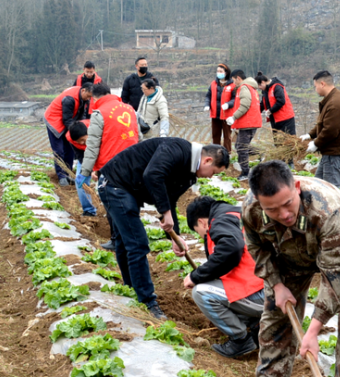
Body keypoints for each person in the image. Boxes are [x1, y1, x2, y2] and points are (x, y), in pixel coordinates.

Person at [242, 160, 340, 377]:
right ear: (259, 202)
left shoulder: (328, 210)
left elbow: (337, 278)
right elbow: (258, 249)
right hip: (288, 250)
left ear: (297, 187)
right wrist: (278, 286)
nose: (284, 214)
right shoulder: (251, 211)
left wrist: (313, 331)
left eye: (288, 203)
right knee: (275, 311)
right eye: (273, 210)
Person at [97, 139, 230, 320]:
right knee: (137, 244)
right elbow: (152, 174)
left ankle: (130, 288)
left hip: (129, 189)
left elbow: (169, 199)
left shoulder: (190, 174)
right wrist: (165, 212)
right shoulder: (177, 149)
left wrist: (176, 239)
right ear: (207, 161)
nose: (210, 177)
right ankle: (147, 302)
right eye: (214, 172)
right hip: (115, 184)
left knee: (124, 240)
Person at [183, 195, 265, 358]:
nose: (203, 236)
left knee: (202, 293)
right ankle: (257, 327)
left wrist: (195, 276)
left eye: (199, 233)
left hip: (261, 292)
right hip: (275, 286)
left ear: (201, 222)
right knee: (220, 287)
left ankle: (240, 340)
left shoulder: (219, 222)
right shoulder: (235, 214)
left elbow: (232, 249)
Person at [69, 83, 140, 217]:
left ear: (95, 99)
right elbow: (139, 137)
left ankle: (116, 237)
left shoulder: (99, 113)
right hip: (132, 164)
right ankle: (124, 235)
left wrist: (85, 172)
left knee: (112, 202)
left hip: (111, 166)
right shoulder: (129, 108)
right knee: (129, 200)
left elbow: (93, 146)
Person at [299, 71, 340, 187]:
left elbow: (330, 130)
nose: (315, 89)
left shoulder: (335, 103)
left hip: (335, 152)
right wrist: (310, 135)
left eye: (315, 86)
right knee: (319, 183)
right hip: (330, 151)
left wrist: (316, 143)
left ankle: (333, 205)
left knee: (330, 187)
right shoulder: (331, 99)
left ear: (322, 84)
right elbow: (324, 123)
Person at [44, 83, 94, 186]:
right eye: (88, 96)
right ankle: (61, 176)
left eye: (91, 97)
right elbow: (66, 119)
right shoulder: (70, 99)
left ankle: (68, 173)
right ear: (83, 90)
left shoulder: (83, 98)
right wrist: (76, 131)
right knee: (59, 151)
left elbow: (80, 115)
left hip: (68, 123)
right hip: (54, 121)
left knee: (70, 149)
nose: (89, 99)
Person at [225, 70, 262, 181]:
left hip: (248, 123)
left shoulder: (244, 88)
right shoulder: (250, 87)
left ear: (238, 78)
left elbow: (245, 105)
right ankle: (261, 153)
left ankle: (245, 173)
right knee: (239, 146)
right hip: (250, 122)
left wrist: (233, 117)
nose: (233, 82)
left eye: (233, 80)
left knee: (241, 148)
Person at [256, 73, 296, 138]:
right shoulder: (265, 90)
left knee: (289, 140)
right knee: (278, 141)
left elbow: (281, 101)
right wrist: (255, 112)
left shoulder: (277, 86)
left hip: (285, 118)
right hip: (274, 119)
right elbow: (263, 103)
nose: (259, 88)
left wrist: (270, 110)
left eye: (259, 86)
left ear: (263, 82)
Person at [206, 63, 233, 153]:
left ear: (226, 73)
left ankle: (227, 153)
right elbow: (208, 96)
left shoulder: (232, 85)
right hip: (215, 114)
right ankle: (215, 153)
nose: (218, 73)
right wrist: (207, 105)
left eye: (221, 71)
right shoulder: (213, 84)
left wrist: (228, 104)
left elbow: (235, 99)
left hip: (227, 114)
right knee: (215, 135)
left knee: (227, 136)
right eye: (217, 71)